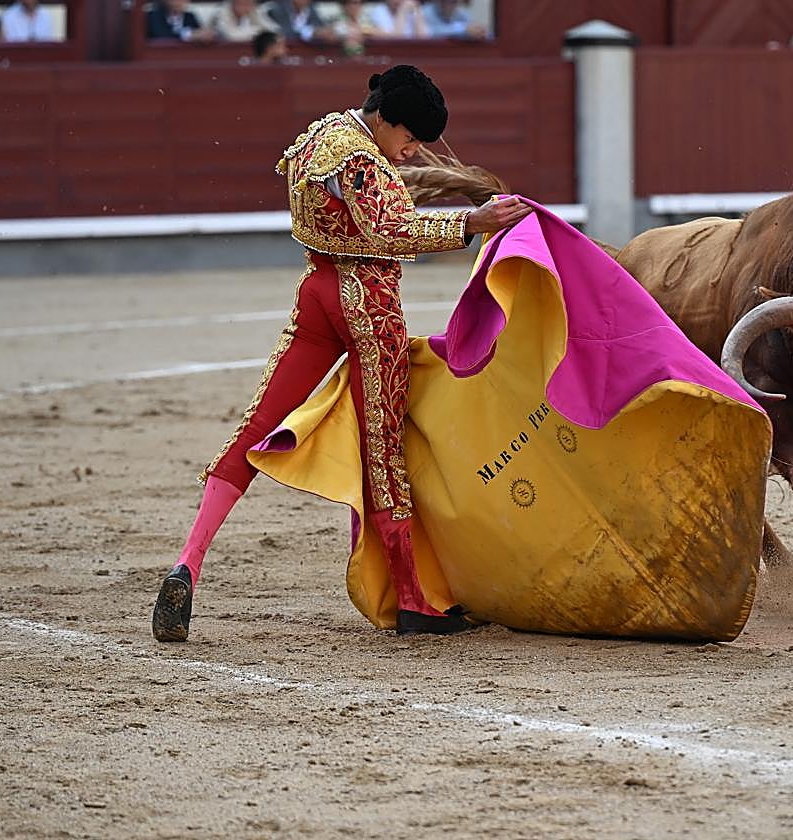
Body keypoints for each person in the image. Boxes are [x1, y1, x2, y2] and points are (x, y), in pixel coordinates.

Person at [152, 65, 531, 642]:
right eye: (409, 139)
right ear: (386, 119)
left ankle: (188, 563)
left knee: (257, 425)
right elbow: (391, 231)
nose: (411, 152)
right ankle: (412, 601)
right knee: (383, 448)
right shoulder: (361, 162)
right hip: (367, 301)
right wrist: (470, 223)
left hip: (317, 293)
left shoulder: (320, 135)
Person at [267, 0, 338, 43]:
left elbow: (320, 27)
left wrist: (327, 32)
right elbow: (285, 33)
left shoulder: (311, 9)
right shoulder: (278, 8)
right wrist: (312, 32)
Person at [209, 0, 277, 42]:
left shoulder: (255, 10)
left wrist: (261, 32)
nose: (248, 7)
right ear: (234, 3)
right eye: (243, 4)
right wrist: (260, 32)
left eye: (250, 4)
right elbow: (232, 36)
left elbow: (274, 31)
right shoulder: (221, 12)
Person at [146, 0, 215, 42]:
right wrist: (189, 35)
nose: (180, 2)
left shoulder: (190, 17)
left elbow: (199, 34)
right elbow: (162, 36)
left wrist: (206, 35)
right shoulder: (152, 17)